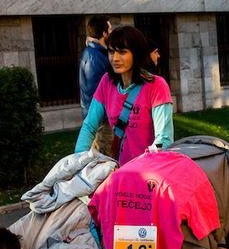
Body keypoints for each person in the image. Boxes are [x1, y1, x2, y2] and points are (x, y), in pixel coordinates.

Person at [74, 25, 174, 165]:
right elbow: (89, 126)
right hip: (121, 170)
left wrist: (144, 171)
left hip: (149, 171)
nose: (114, 58)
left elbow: (164, 140)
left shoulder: (157, 86)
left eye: (122, 52)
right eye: (111, 51)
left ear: (136, 53)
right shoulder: (106, 82)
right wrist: (77, 161)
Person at [79, 15, 112, 118]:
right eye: (110, 30)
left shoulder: (99, 53)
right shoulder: (93, 57)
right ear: (104, 33)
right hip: (100, 119)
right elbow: (96, 93)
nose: (112, 33)